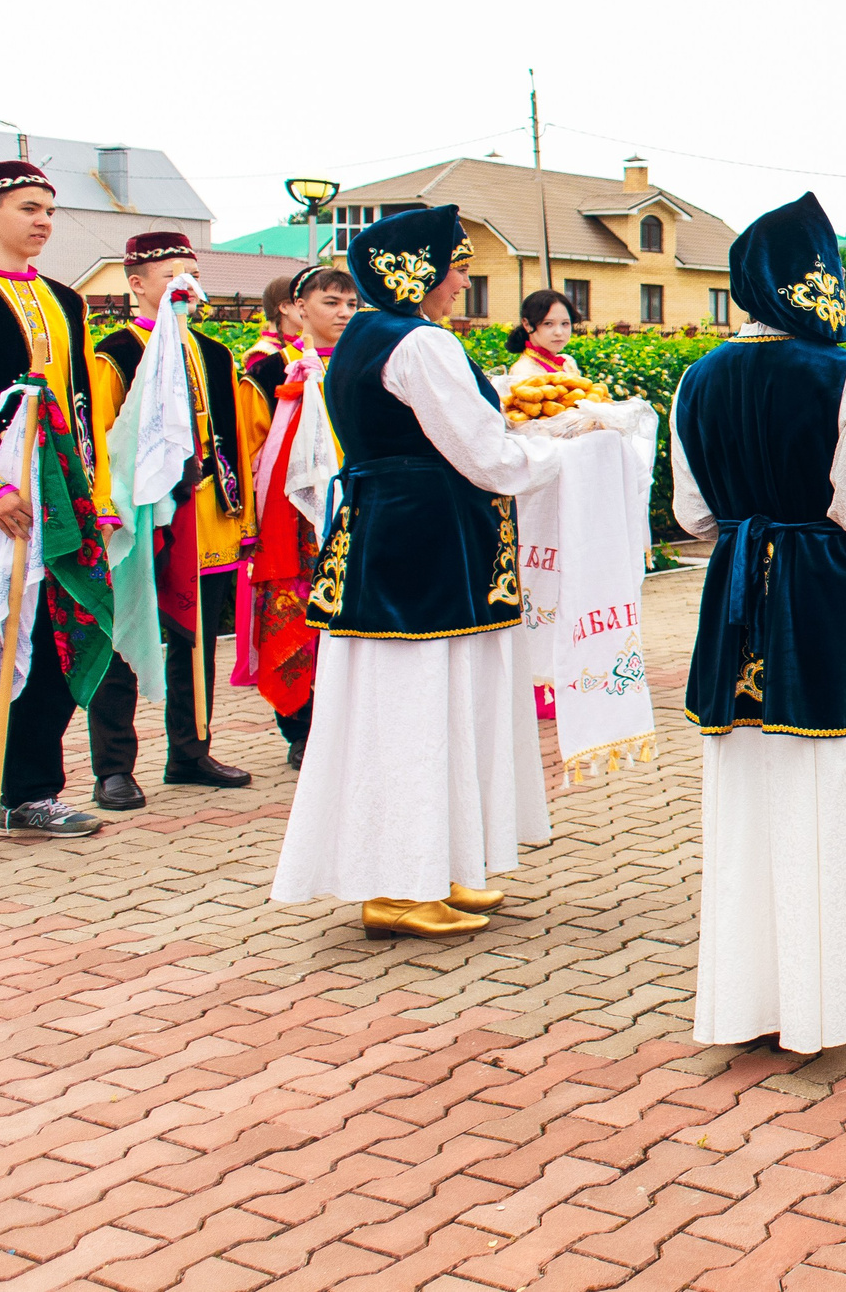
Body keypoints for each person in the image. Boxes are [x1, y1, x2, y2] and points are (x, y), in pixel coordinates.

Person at [670, 193, 846, 1051]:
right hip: (821, 594)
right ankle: (830, 991)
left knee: (748, 789)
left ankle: (750, 995)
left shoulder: (696, 378)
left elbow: (693, 516)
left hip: (737, 595)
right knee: (829, 778)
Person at [271, 205, 563, 940]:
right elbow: (484, 452)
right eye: (457, 265)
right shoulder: (420, 343)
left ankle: (435, 865)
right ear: (419, 271)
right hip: (425, 546)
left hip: (390, 536)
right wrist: (562, 453)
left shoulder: (364, 335)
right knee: (414, 711)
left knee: (430, 706)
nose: (464, 279)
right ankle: (398, 884)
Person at [0, 158, 119, 858]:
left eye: (50, 210)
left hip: (55, 495)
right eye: (29, 207)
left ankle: (29, 789)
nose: (43, 221)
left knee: (54, 638)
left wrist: (96, 496)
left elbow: (83, 404)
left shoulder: (66, 299)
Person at [87, 233, 267, 805]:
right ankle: (113, 766)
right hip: (139, 519)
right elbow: (103, 438)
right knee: (122, 637)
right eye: (171, 275)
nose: (185, 285)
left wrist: (242, 519)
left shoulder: (213, 352)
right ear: (136, 284)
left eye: (191, 274)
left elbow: (232, 441)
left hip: (207, 514)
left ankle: (190, 750)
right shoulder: (113, 353)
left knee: (195, 640)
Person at [241, 265, 359, 770]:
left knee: (355, 620)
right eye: (331, 302)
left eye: (351, 304)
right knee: (299, 619)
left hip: (360, 510)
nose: (343, 313)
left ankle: (351, 725)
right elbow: (251, 450)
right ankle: (301, 727)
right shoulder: (269, 371)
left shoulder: (365, 363)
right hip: (292, 521)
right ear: (297, 306)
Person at [242, 273, 303, 406]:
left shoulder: (300, 346)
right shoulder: (261, 353)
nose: (306, 308)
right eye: (299, 303)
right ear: (284, 307)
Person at [504, 289, 581, 384]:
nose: (559, 332)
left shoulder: (568, 363)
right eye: (548, 323)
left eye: (565, 323)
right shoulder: (523, 372)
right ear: (527, 324)